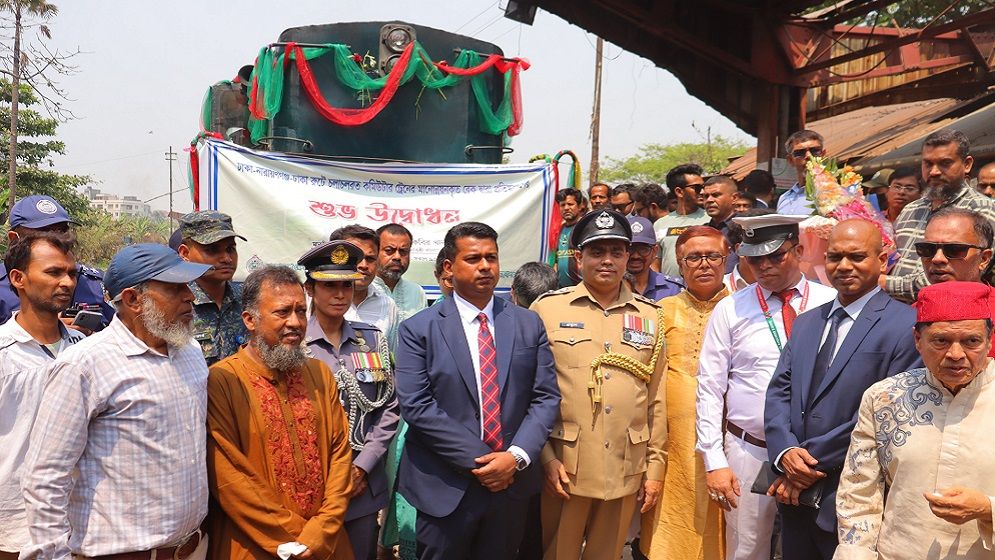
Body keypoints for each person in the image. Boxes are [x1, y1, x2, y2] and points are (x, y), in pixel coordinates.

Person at [21, 243, 212, 560]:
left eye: (188, 286)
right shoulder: (85, 365)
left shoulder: (189, 352)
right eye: (175, 288)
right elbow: (45, 478)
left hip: (191, 548)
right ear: (133, 299)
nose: (190, 296)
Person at [394, 222, 560, 560]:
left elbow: (545, 397)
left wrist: (514, 458)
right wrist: (487, 463)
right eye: (473, 258)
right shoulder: (418, 329)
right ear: (448, 268)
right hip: (445, 486)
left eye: (491, 258)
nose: (485, 266)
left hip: (511, 487)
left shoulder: (528, 323)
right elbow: (417, 405)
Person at [763, 219, 922, 559]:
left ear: (884, 260)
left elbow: (888, 412)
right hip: (794, 498)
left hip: (852, 496)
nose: (844, 266)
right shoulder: (808, 321)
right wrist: (784, 452)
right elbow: (780, 392)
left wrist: (806, 465)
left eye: (857, 256)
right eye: (835, 256)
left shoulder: (905, 325)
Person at [696, 214, 836, 560]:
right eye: (755, 258)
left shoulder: (830, 302)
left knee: (814, 546)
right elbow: (710, 386)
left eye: (776, 256)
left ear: (799, 250)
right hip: (750, 449)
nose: (765, 266)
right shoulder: (731, 309)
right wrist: (714, 459)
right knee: (747, 548)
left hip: (815, 456)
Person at [531, 209, 667, 560]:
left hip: (626, 463)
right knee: (557, 553)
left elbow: (656, 399)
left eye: (617, 252)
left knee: (608, 554)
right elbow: (528, 393)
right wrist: (544, 458)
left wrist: (655, 469)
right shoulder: (547, 310)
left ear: (628, 258)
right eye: (597, 251)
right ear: (578, 258)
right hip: (565, 465)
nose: (607, 260)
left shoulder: (650, 316)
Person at [835, 281, 995, 559]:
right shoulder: (884, 397)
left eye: (971, 341)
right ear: (917, 340)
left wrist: (987, 508)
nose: (955, 355)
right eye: (941, 341)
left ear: (989, 340)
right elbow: (859, 493)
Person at [205, 265, 355, 560]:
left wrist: (320, 532)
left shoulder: (319, 374)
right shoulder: (222, 380)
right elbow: (230, 478)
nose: (296, 322)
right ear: (249, 319)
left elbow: (339, 456)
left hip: (326, 543)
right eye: (282, 312)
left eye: (301, 311)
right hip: (255, 543)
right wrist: (297, 539)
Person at [298, 241, 401, 560]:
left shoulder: (371, 340)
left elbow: (389, 408)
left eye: (346, 284)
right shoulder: (294, 343)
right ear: (310, 288)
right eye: (329, 285)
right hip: (312, 484)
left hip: (360, 484)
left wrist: (362, 466)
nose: (340, 293)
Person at [639, 225, 730, 560]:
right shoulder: (661, 310)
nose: (703, 264)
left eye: (712, 256)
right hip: (671, 439)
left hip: (726, 438)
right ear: (679, 262)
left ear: (726, 259)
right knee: (669, 519)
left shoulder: (742, 308)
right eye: (693, 257)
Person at [0, 232, 84, 559]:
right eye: (53, 272)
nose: (67, 282)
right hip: (13, 528)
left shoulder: (84, 349)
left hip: (75, 523)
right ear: (18, 278)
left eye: (71, 273)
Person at [882, 129, 995, 303]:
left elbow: (947, 279)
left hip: (944, 319)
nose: (934, 171)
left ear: (967, 164)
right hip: (894, 315)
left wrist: (880, 283)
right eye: (928, 163)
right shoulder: (911, 209)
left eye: (944, 163)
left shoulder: (982, 210)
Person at [0, 194, 112, 326]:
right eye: (43, 232)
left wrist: (88, 338)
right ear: (14, 238)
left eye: (62, 230)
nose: (55, 238)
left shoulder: (94, 284)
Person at [176, 211, 248, 365]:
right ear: (185, 253)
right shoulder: (176, 304)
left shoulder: (248, 299)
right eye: (212, 250)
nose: (226, 259)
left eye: (230, 249)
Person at [331, 225, 401, 349]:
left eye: (370, 259)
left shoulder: (388, 306)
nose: (363, 265)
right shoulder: (311, 302)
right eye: (355, 258)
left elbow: (390, 360)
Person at [655, 164, 709, 276]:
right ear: (679, 192)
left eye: (703, 187)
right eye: (697, 188)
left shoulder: (710, 220)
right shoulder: (660, 224)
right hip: (670, 291)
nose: (703, 192)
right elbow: (655, 263)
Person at [375, 223, 428, 322]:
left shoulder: (416, 292)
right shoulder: (364, 290)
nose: (397, 257)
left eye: (403, 251)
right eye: (389, 250)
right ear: (375, 252)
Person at [626, 216, 683, 300]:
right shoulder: (609, 289)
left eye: (643, 250)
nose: (636, 256)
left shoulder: (674, 289)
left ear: (655, 251)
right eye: (630, 249)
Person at [777, 130, 823, 216]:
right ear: (790, 160)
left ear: (823, 155)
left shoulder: (838, 195)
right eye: (800, 153)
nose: (808, 156)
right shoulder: (784, 198)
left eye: (815, 151)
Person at [702, 175, 740, 274]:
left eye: (716, 195)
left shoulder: (745, 228)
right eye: (706, 196)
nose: (709, 200)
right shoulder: (702, 231)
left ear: (734, 198)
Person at [553, 188, 587, 288]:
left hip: (582, 288)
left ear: (580, 206)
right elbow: (556, 261)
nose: (566, 208)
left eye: (570, 204)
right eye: (562, 205)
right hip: (562, 290)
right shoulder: (560, 230)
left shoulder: (585, 227)